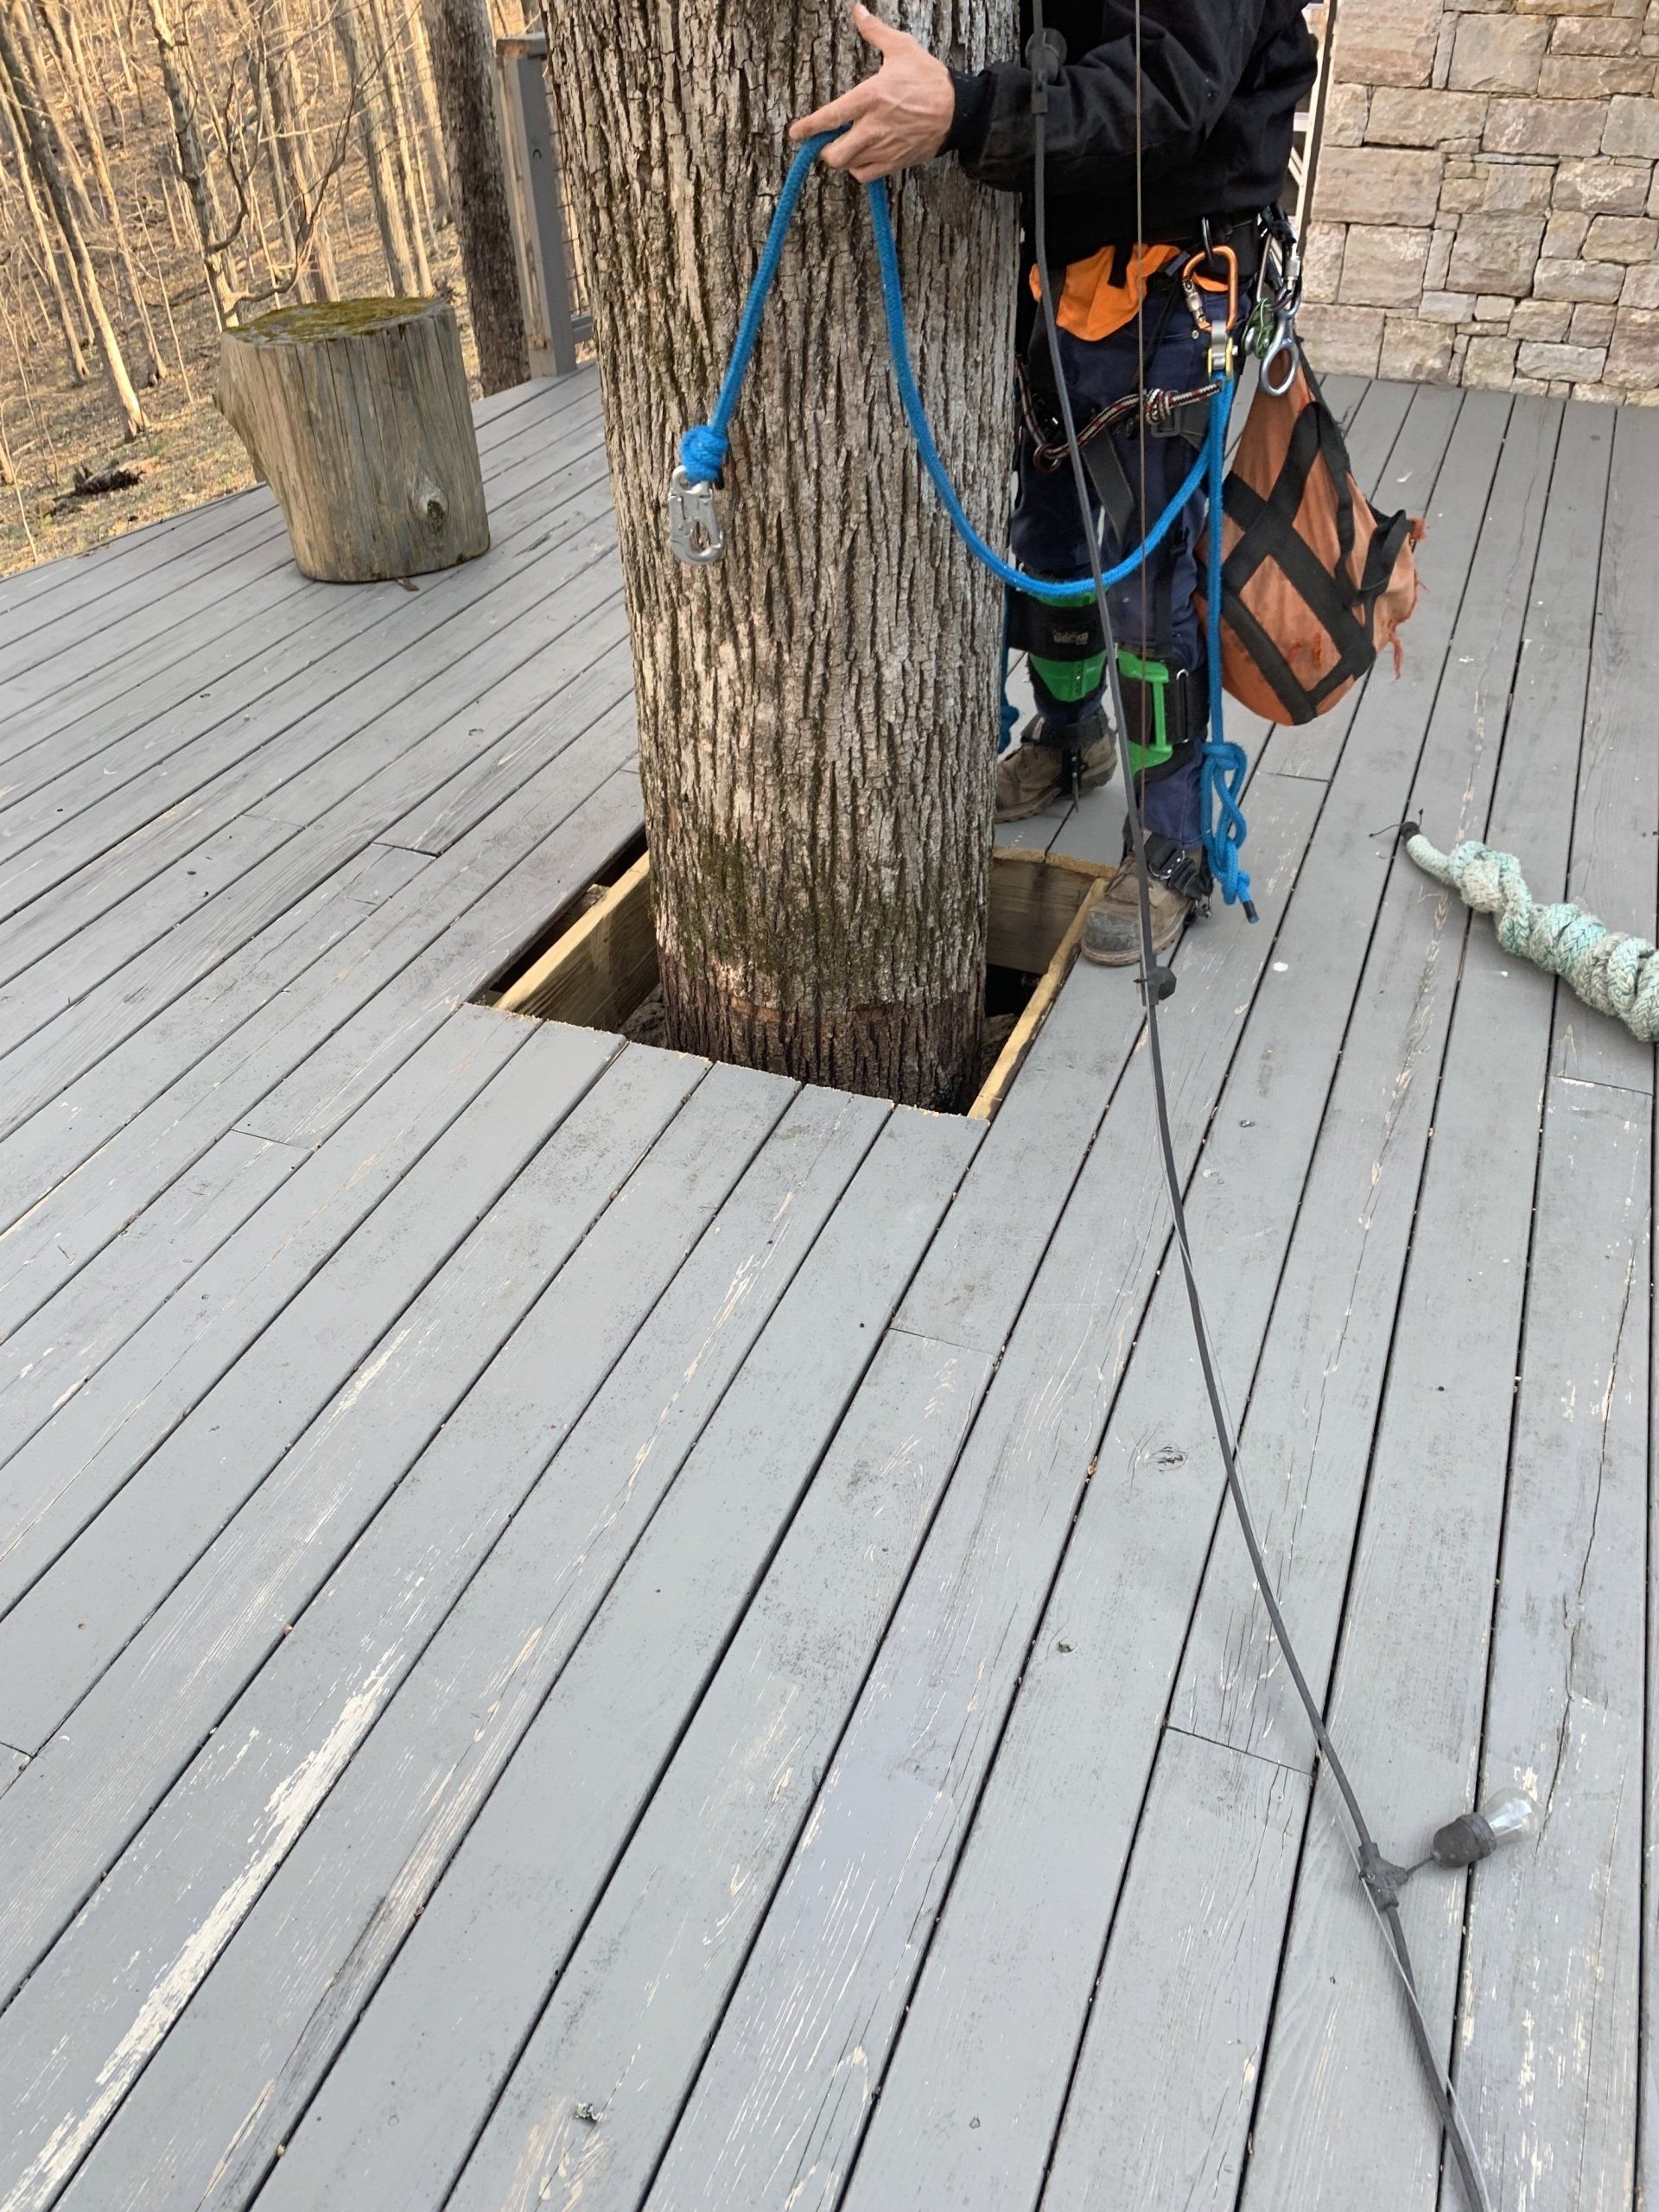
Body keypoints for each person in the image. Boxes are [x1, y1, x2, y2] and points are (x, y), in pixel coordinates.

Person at [793, 2, 1316, 962]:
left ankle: (1173, 847)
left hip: (1177, 274)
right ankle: (1072, 735)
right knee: (1050, 526)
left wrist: (969, 113)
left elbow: (1169, 90)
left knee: (1150, 580)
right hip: (1058, 259)